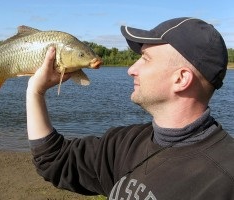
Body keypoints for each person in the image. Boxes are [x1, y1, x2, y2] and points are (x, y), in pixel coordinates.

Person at [26, 17, 234, 199]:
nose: (131, 69)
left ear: (181, 79)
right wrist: (35, 92)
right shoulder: (125, 143)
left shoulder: (224, 178)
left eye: (145, 58)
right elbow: (54, 161)